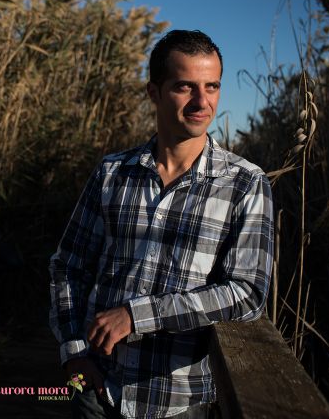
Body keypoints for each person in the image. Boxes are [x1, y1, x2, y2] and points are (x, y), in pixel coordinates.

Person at [49, 30, 274, 419]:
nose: (202, 102)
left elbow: (247, 292)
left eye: (212, 86)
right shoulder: (112, 172)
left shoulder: (245, 183)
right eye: (185, 87)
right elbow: (68, 265)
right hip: (96, 387)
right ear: (153, 92)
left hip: (174, 399)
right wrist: (73, 352)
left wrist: (136, 315)